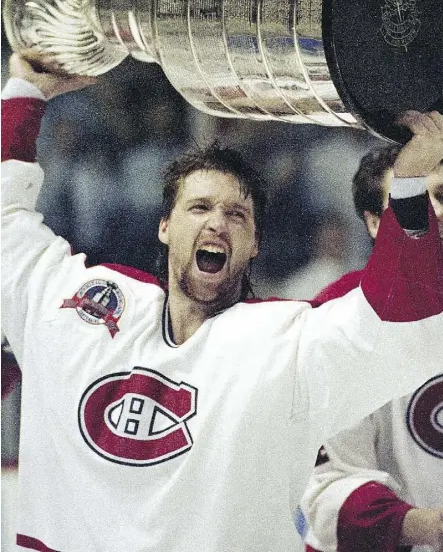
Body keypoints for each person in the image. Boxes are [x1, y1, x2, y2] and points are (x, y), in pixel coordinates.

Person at [2, 53, 443, 552]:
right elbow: (5, 228)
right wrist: (24, 92)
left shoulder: (288, 343)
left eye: (238, 214)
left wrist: (409, 186)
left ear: (255, 244)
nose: (217, 223)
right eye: (199, 207)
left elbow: (403, 323)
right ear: (165, 227)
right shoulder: (84, 308)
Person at [298, 145, 443, 552]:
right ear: (376, 222)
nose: (434, 212)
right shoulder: (337, 318)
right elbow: (328, 488)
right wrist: (427, 527)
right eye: (411, 200)